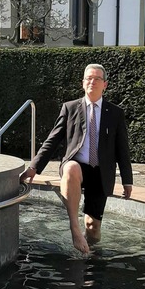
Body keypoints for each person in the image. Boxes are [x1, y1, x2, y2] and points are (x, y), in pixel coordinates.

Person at [20, 64, 133, 254]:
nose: (92, 82)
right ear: (83, 83)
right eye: (88, 78)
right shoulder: (70, 108)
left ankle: (90, 257)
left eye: (97, 79)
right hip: (76, 164)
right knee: (71, 168)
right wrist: (34, 167)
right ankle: (74, 227)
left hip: (100, 172)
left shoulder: (115, 113)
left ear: (105, 84)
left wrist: (127, 180)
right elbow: (53, 139)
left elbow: (122, 149)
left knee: (93, 227)